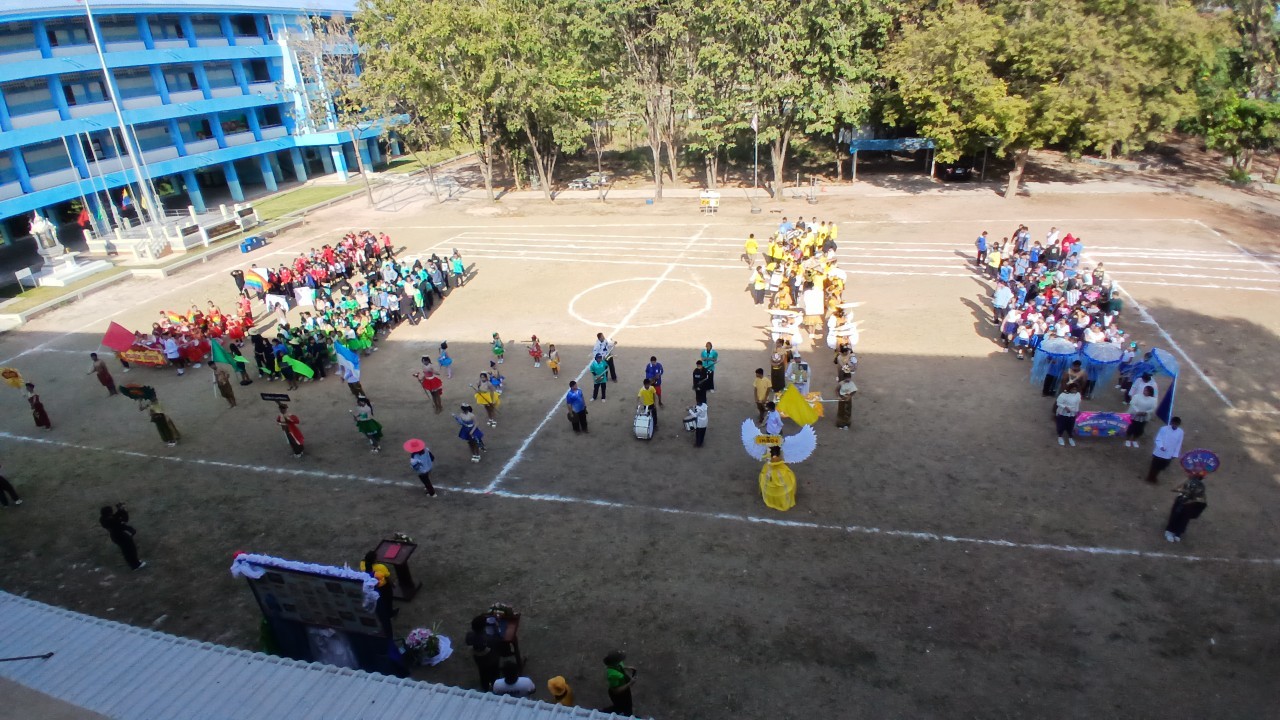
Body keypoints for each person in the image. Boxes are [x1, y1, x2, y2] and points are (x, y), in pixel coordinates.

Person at [100, 504, 145, 570]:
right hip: (121, 537)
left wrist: (120, 510)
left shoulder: (103, 519)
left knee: (126, 551)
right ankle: (136, 565)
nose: (112, 513)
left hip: (116, 537)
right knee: (130, 550)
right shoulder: (112, 521)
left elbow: (115, 516)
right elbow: (125, 520)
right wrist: (123, 511)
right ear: (109, 513)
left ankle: (134, 563)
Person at [1165, 473, 1207, 542]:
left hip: (1191, 504)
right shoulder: (1188, 482)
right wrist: (1187, 479)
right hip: (1181, 501)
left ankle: (1178, 532)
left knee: (1185, 518)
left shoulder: (1201, 485)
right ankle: (1169, 531)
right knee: (1176, 515)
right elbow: (1175, 489)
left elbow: (1200, 496)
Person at [466, 616, 503, 691]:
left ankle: (485, 687)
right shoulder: (489, 639)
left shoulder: (469, 636)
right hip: (492, 660)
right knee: (495, 674)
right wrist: (496, 627)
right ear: (484, 627)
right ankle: (496, 686)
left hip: (479, 661)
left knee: (483, 673)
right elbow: (499, 638)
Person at [1146, 417, 1184, 484]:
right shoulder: (1164, 429)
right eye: (1174, 424)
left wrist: (1175, 454)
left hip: (1169, 453)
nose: (1175, 425)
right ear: (1171, 423)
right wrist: (1161, 446)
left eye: (1176, 424)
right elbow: (1158, 438)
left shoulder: (1180, 432)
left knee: (1161, 467)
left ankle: (1155, 476)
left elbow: (1179, 443)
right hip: (1159, 451)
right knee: (1154, 465)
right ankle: (1150, 477)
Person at [602, 651, 637, 716]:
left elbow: (620, 666)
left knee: (625, 705)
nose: (621, 661)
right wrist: (630, 683)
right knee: (623, 708)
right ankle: (604, 712)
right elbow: (615, 691)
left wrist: (627, 667)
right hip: (619, 694)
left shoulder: (618, 663)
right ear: (615, 662)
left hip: (624, 689)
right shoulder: (612, 675)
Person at [1054, 383, 1081, 447]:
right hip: (1063, 413)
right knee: (1061, 425)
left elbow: (1077, 403)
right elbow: (1058, 403)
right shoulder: (1063, 395)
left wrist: (1077, 410)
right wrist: (1065, 407)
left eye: (1076, 389)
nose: (1074, 391)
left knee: (1071, 425)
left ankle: (1070, 437)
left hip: (1072, 413)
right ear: (1070, 389)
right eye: (1073, 389)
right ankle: (1060, 436)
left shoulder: (1078, 394)